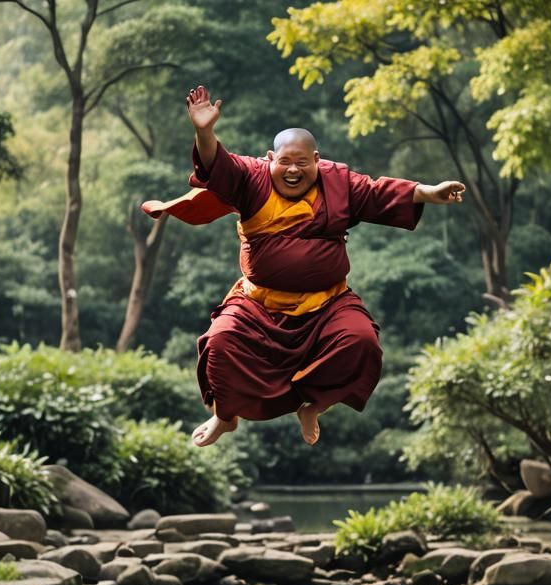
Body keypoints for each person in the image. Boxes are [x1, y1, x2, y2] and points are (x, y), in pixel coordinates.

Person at [143, 85, 466, 448]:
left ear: (317, 160)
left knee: (361, 343)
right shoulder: (251, 178)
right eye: (285, 162)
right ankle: (224, 415)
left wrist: (428, 192)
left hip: (326, 304)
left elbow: (378, 191)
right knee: (220, 343)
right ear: (270, 158)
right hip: (258, 304)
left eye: (302, 162)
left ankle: (313, 406)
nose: (293, 170)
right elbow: (217, 166)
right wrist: (204, 132)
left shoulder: (338, 182)